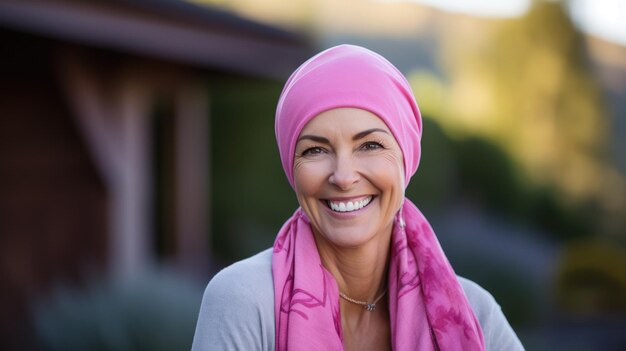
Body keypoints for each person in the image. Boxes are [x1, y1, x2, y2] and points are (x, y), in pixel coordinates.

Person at [192, 44, 524, 351]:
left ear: (406, 159)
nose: (344, 176)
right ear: (291, 168)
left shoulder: (473, 315)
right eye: (316, 149)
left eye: (370, 145)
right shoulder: (243, 302)